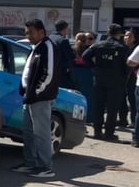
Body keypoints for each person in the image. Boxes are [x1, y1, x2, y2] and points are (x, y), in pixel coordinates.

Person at [12, 19, 60, 178]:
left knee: (41, 133)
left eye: (31, 32)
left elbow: (49, 74)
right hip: (29, 97)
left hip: (39, 98)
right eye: (26, 33)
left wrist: (35, 93)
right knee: (28, 132)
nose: (28, 36)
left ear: (41, 32)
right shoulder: (35, 48)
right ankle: (30, 163)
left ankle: (45, 166)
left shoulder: (47, 47)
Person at [82, 24, 130, 141]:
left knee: (99, 106)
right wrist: (123, 77)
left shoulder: (98, 45)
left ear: (108, 33)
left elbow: (85, 56)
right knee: (112, 108)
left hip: (100, 79)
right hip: (116, 81)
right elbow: (128, 65)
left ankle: (97, 131)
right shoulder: (122, 48)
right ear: (119, 34)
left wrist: (94, 67)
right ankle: (109, 133)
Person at [71, 33, 96, 126]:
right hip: (87, 74)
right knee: (88, 97)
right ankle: (88, 117)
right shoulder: (89, 50)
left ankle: (76, 117)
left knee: (76, 97)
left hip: (74, 74)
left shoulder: (72, 49)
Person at [119, 30, 139, 128]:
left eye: (130, 36)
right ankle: (123, 120)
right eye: (125, 36)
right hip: (122, 77)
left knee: (133, 100)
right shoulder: (122, 48)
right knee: (121, 99)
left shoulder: (138, 49)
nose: (126, 38)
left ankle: (134, 121)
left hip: (134, 77)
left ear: (135, 38)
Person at [49, 20, 76, 89]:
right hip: (61, 73)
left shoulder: (48, 38)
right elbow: (70, 56)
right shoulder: (63, 40)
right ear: (65, 29)